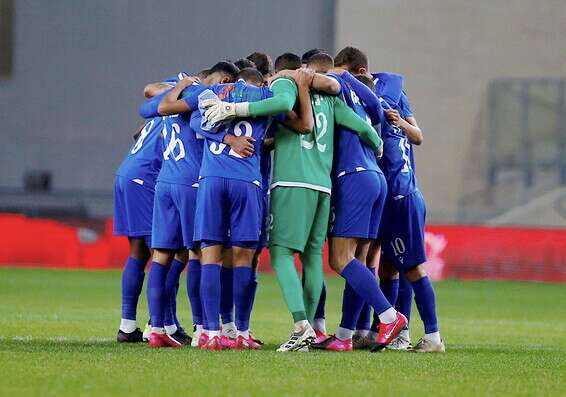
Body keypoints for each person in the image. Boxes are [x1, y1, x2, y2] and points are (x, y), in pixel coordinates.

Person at [200, 55, 388, 352]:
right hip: (323, 186)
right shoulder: (331, 99)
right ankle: (314, 326)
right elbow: (364, 128)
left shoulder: (285, 83)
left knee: (281, 255)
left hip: (291, 182)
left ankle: (301, 327)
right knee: (313, 259)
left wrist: (233, 108)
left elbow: (282, 106)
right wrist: (378, 148)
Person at [138, 62, 243, 348]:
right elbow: (161, 110)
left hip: (165, 182)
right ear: (223, 79)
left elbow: (147, 109)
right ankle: (202, 327)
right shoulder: (203, 94)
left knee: (160, 255)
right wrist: (187, 88)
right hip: (191, 182)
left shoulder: (179, 96)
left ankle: (156, 327)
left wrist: (176, 88)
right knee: (200, 253)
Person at [312, 47, 405, 352]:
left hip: (352, 176)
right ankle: (343, 336)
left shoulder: (332, 89)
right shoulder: (363, 96)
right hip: (374, 176)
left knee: (340, 259)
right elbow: (379, 113)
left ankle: (389, 316)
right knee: (361, 261)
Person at [372, 70, 445, 353]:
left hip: (402, 196)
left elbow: (418, 135)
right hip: (394, 197)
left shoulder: (391, 103)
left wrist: (400, 121)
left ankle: (433, 336)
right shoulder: (382, 104)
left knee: (411, 268)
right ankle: (398, 334)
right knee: (389, 268)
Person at [114, 72, 186, 343]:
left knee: (140, 251)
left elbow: (138, 130)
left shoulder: (164, 107)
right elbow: (148, 89)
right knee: (166, 250)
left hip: (128, 172)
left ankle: (128, 325)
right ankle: (162, 324)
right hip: (146, 178)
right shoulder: (191, 101)